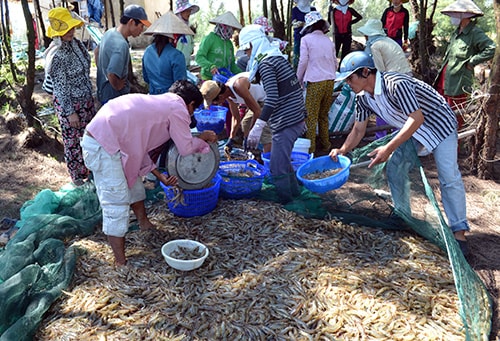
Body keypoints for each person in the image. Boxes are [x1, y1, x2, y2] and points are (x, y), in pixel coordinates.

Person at [329, 51, 472, 256]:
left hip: (439, 124)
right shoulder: (361, 97)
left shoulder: (395, 84)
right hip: (413, 128)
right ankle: (402, 214)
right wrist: (342, 149)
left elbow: (416, 119)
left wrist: (388, 148)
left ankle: (459, 231)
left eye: (350, 78)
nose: (347, 83)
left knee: (448, 175)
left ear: (366, 72)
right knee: (395, 167)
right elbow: (359, 130)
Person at [80, 80, 218, 266]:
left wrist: (160, 176)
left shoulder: (164, 103)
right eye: (193, 109)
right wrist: (202, 137)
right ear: (191, 104)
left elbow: (140, 148)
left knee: (135, 185)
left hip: (114, 139)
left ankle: (144, 223)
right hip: (104, 144)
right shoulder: (178, 108)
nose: (191, 115)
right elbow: (185, 148)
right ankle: (120, 263)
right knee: (116, 202)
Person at [239, 25, 307, 204]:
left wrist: (258, 126)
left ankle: (288, 204)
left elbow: (272, 99)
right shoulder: (276, 57)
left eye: (248, 49)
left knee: (277, 167)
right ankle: (295, 194)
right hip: (295, 116)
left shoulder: (267, 63)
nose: (247, 54)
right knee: (283, 161)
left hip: (288, 120)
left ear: (254, 44)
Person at [45, 7, 96, 187]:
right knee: (74, 143)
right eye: (66, 29)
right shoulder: (57, 56)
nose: (70, 32)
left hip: (85, 101)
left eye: (71, 28)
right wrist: (70, 112)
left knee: (90, 138)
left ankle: (91, 172)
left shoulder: (77, 44)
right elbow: (60, 87)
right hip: (71, 106)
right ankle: (78, 179)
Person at [435, 0, 495, 130]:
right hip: (445, 80)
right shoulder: (456, 33)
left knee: (456, 116)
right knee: (443, 113)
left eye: (455, 14)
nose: (452, 17)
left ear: (465, 16)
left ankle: (456, 145)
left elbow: (491, 48)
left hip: (458, 82)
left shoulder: (474, 33)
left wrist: (472, 62)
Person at [358, 18, 412, 139]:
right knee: (399, 109)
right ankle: (396, 136)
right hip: (405, 76)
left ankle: (381, 137)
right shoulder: (387, 41)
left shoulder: (376, 46)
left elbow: (379, 70)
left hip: (395, 78)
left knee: (384, 105)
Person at [297, 11, 337, 154]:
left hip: (315, 82)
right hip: (330, 81)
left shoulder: (306, 40)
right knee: (323, 115)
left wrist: (298, 79)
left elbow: (303, 61)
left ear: (309, 26)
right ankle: (326, 145)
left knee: (311, 117)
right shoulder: (328, 41)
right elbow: (334, 62)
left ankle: (310, 150)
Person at [200, 73, 271, 152]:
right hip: (257, 102)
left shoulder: (238, 87)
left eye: (214, 102)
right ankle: (254, 152)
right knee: (246, 123)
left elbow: (257, 112)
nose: (216, 104)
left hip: (270, 98)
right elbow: (236, 117)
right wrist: (231, 138)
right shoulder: (228, 94)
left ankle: (269, 159)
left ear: (220, 97)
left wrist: (251, 134)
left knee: (265, 133)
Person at [95, 4, 151, 104]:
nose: (141, 31)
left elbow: (96, 52)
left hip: (102, 92)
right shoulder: (121, 45)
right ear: (132, 22)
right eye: (141, 26)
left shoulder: (109, 32)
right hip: (114, 98)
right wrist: (118, 85)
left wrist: (102, 68)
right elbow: (112, 74)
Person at [142, 11, 195, 94]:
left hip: (152, 97)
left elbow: (146, 78)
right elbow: (180, 85)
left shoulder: (147, 51)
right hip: (170, 100)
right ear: (174, 37)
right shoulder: (177, 55)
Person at [195, 11, 243, 81]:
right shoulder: (210, 38)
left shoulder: (229, 43)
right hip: (208, 78)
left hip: (224, 78)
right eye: (232, 29)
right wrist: (210, 66)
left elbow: (232, 64)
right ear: (224, 27)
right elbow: (199, 57)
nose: (232, 32)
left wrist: (242, 74)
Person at [173, 0, 199, 68]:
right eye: (186, 10)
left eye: (189, 10)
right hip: (176, 65)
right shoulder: (174, 29)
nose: (189, 13)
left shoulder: (188, 31)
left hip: (186, 65)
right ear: (180, 12)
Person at [291, 0, 316, 70]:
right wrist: (299, 24)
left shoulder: (313, 10)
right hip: (298, 36)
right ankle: (296, 73)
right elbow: (294, 24)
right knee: (297, 56)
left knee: (311, 55)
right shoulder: (295, 10)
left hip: (311, 37)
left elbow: (316, 22)